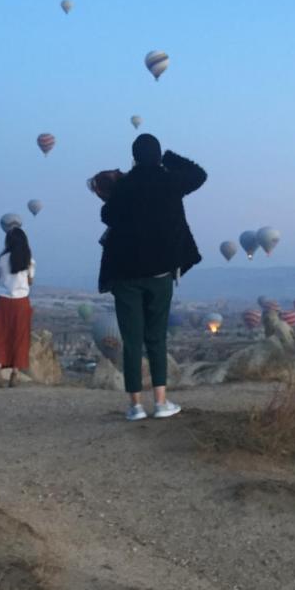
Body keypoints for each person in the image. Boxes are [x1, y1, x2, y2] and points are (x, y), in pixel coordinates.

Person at [100, 134, 206, 420]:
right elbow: (199, 175)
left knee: (132, 341)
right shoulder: (170, 181)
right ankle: (160, 403)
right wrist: (169, 159)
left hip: (125, 275)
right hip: (160, 274)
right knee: (157, 338)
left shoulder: (124, 186)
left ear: (133, 157)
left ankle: (135, 406)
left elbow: (106, 215)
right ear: (157, 156)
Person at [0, 227, 35, 387]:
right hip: (21, 302)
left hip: (4, 301)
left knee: (0, 335)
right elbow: (30, 281)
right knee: (19, 337)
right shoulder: (29, 259)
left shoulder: (2, 259)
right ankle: (14, 373)